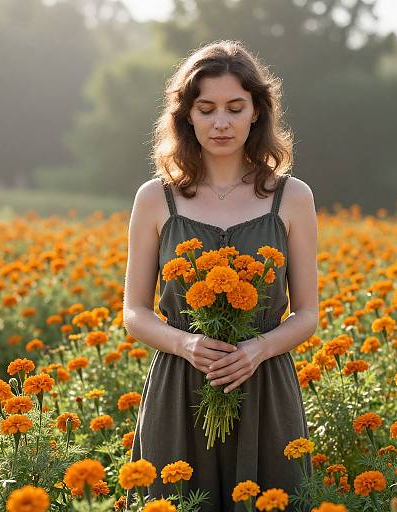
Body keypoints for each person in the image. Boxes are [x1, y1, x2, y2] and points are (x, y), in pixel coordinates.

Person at [123, 40, 318, 512]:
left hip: (265, 387)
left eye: (235, 107)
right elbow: (134, 312)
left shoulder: (292, 197)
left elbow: (308, 313)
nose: (221, 122)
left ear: (257, 112)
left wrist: (258, 349)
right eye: (206, 108)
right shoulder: (155, 198)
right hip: (178, 387)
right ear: (186, 115)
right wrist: (185, 343)